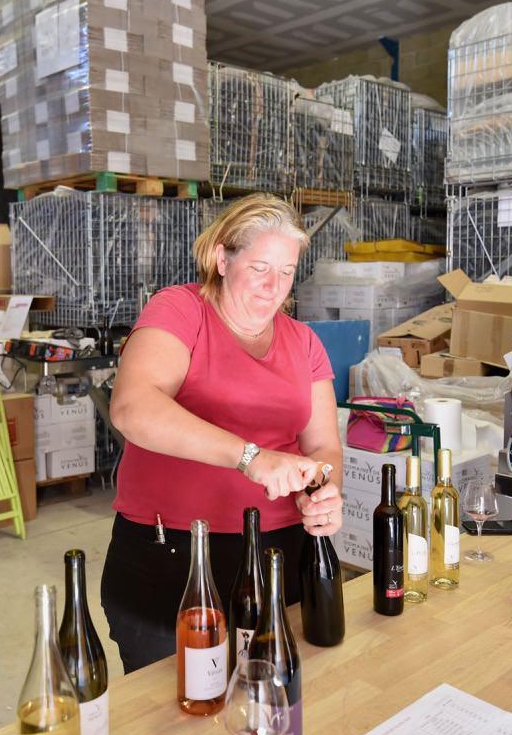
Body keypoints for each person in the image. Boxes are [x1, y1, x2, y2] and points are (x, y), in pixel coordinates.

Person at [101, 194, 344, 672]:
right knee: (179, 711)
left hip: (281, 557)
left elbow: (323, 446)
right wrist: (251, 457)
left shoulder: (304, 341)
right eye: (259, 267)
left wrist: (326, 491)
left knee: (273, 698)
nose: (274, 286)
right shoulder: (180, 311)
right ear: (222, 257)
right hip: (174, 558)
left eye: (288, 271)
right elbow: (133, 407)